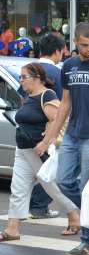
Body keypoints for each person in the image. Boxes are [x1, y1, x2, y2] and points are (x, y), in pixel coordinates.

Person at [35, 22, 89, 255]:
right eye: (85, 45)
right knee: (63, 181)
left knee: (85, 186)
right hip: (72, 134)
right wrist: (49, 138)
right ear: (75, 43)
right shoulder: (68, 66)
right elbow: (65, 105)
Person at [0, 63, 79, 242]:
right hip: (23, 149)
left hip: (38, 150)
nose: (21, 81)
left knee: (51, 186)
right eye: (20, 76)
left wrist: (45, 141)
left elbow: (59, 119)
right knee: (18, 189)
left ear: (37, 78)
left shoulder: (46, 95)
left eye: (24, 77)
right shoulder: (29, 97)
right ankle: (12, 229)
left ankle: (75, 216)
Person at [28, 33, 66, 220]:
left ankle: (34, 204)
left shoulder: (30, 69)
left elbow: (23, 98)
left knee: (40, 169)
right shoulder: (58, 74)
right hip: (50, 129)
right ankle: (38, 204)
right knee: (54, 169)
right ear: (58, 51)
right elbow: (63, 104)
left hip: (29, 127)